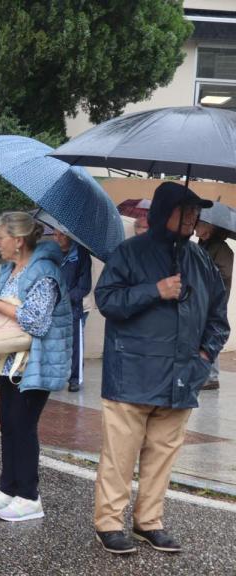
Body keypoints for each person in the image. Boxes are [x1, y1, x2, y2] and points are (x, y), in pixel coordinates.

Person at [93, 182, 229, 555]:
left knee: (162, 457)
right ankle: (108, 522)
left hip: (182, 379)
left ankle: (148, 522)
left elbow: (219, 319)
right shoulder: (129, 253)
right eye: (183, 210)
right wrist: (155, 290)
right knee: (119, 457)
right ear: (162, 211)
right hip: (131, 375)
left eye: (195, 212)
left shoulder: (201, 261)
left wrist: (204, 359)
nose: (192, 217)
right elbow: (107, 300)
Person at [0, 213, 73, 520]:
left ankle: (29, 496)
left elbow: (35, 320)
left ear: (19, 240)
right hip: (10, 361)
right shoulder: (8, 268)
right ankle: (8, 487)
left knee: (23, 426)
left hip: (34, 362)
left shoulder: (45, 271)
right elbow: (5, 311)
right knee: (8, 423)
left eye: (0, 237)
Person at [51, 230, 92, 392]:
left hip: (73, 308)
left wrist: (66, 299)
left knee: (75, 345)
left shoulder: (81, 254)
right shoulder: (51, 254)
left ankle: (75, 379)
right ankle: (55, 377)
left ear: (70, 236)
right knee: (54, 344)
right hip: (53, 308)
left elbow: (84, 286)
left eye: (62, 235)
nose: (58, 238)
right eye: (55, 234)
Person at [195, 220, 232, 391]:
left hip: (215, 300)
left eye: (199, 224)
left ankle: (212, 377)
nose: (195, 227)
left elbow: (223, 275)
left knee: (212, 333)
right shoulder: (203, 245)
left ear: (209, 227)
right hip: (202, 297)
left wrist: (202, 271)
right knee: (202, 333)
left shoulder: (222, 249)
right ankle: (205, 374)